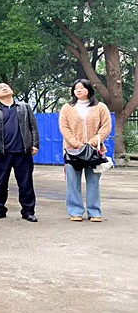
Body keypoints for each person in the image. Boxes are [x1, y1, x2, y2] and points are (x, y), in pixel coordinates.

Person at [0, 83, 40, 223]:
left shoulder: (24, 107)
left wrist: (35, 144)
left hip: (23, 151)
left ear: (12, 91)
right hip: (2, 153)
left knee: (26, 183)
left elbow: (33, 126)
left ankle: (28, 211)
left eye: (6, 86)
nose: (3, 88)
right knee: (0, 183)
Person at [59, 79, 112, 222]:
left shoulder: (100, 107)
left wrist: (92, 142)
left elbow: (106, 127)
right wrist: (76, 144)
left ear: (89, 90)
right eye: (76, 88)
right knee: (72, 182)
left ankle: (94, 212)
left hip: (94, 151)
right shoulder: (67, 108)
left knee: (93, 182)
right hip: (72, 151)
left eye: (82, 88)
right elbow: (64, 128)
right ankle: (75, 211)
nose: (78, 90)